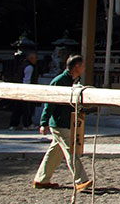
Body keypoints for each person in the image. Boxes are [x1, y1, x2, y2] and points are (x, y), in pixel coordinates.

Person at [33, 54, 91, 192]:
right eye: (82, 65)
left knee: (55, 152)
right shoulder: (60, 81)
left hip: (66, 121)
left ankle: (41, 179)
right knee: (71, 150)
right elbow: (50, 102)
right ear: (76, 66)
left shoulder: (72, 80)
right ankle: (80, 180)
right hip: (59, 123)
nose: (83, 68)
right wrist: (44, 121)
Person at [10, 51, 39, 130]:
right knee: (27, 108)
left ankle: (14, 124)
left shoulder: (22, 65)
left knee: (18, 107)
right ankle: (27, 124)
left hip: (19, 89)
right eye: (35, 58)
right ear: (31, 58)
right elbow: (27, 79)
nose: (36, 60)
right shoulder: (30, 67)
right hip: (26, 89)